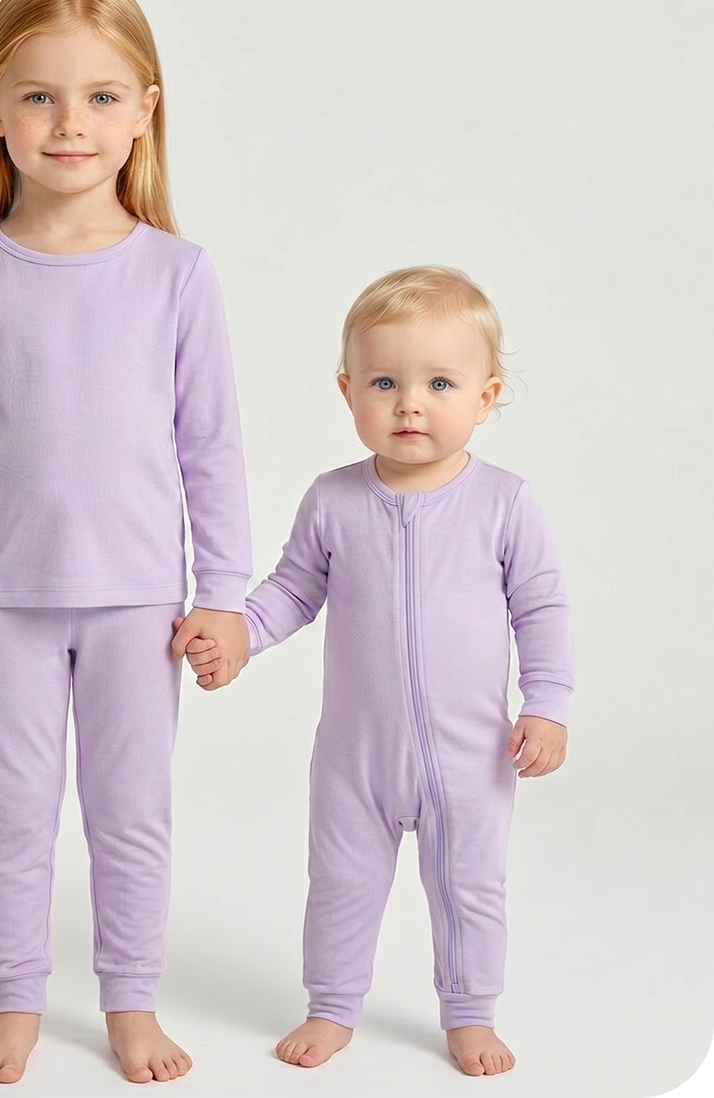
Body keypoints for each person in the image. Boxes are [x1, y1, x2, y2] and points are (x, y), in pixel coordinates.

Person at [0, 0, 251, 1086]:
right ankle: (14, 1003)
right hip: (0, 603)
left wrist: (224, 597)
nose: (69, 124)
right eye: (40, 97)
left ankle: (130, 1001)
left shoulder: (178, 276)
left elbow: (212, 448)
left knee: (129, 817)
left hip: (140, 606)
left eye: (100, 97)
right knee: (10, 820)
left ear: (145, 109)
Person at [180, 266, 572, 1077]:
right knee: (340, 884)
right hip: (355, 758)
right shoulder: (334, 499)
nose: (409, 405)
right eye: (385, 382)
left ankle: (469, 1011)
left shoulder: (503, 503)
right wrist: (241, 634)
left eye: (439, 384)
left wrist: (548, 704)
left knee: (469, 888)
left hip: (471, 756)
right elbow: (294, 589)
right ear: (347, 390)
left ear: (487, 396)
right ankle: (331, 1005)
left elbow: (540, 609)